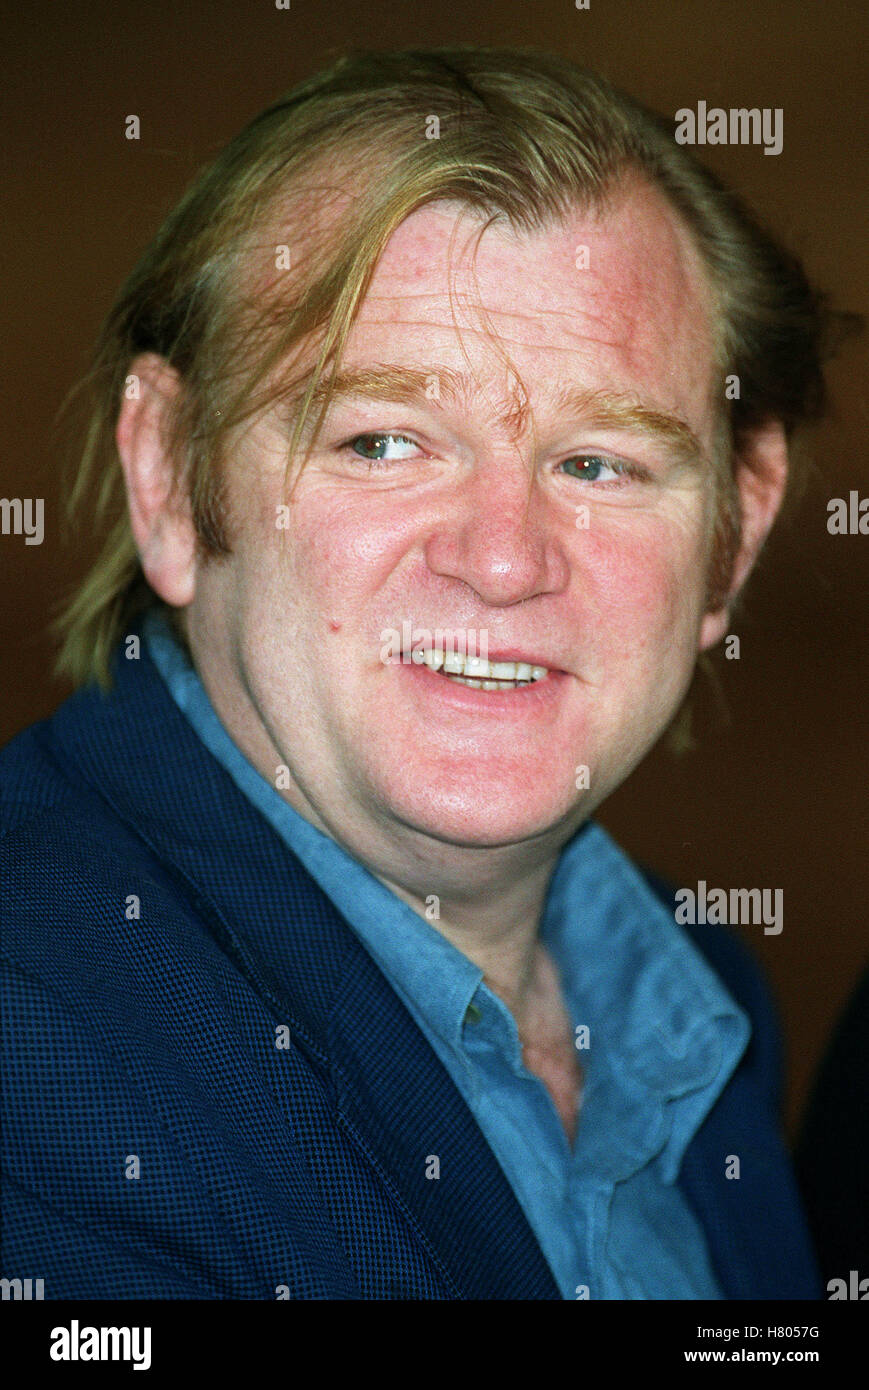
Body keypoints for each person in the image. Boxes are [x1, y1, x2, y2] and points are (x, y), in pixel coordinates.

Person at [1, 47, 847, 1300]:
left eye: (599, 462)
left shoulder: (696, 997)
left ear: (732, 529)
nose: (503, 560)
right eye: (383, 440)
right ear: (170, 478)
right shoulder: (38, 1054)